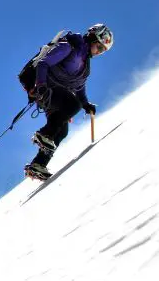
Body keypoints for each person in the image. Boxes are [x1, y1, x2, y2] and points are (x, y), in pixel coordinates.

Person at [24, 24, 114, 181]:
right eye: (99, 47)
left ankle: (38, 164)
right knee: (72, 105)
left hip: (52, 93)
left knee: (62, 130)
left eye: (103, 51)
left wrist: (86, 104)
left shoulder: (85, 66)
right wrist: (41, 85)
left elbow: (79, 88)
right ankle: (45, 133)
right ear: (93, 37)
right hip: (46, 86)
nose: (99, 52)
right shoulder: (71, 45)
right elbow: (43, 63)